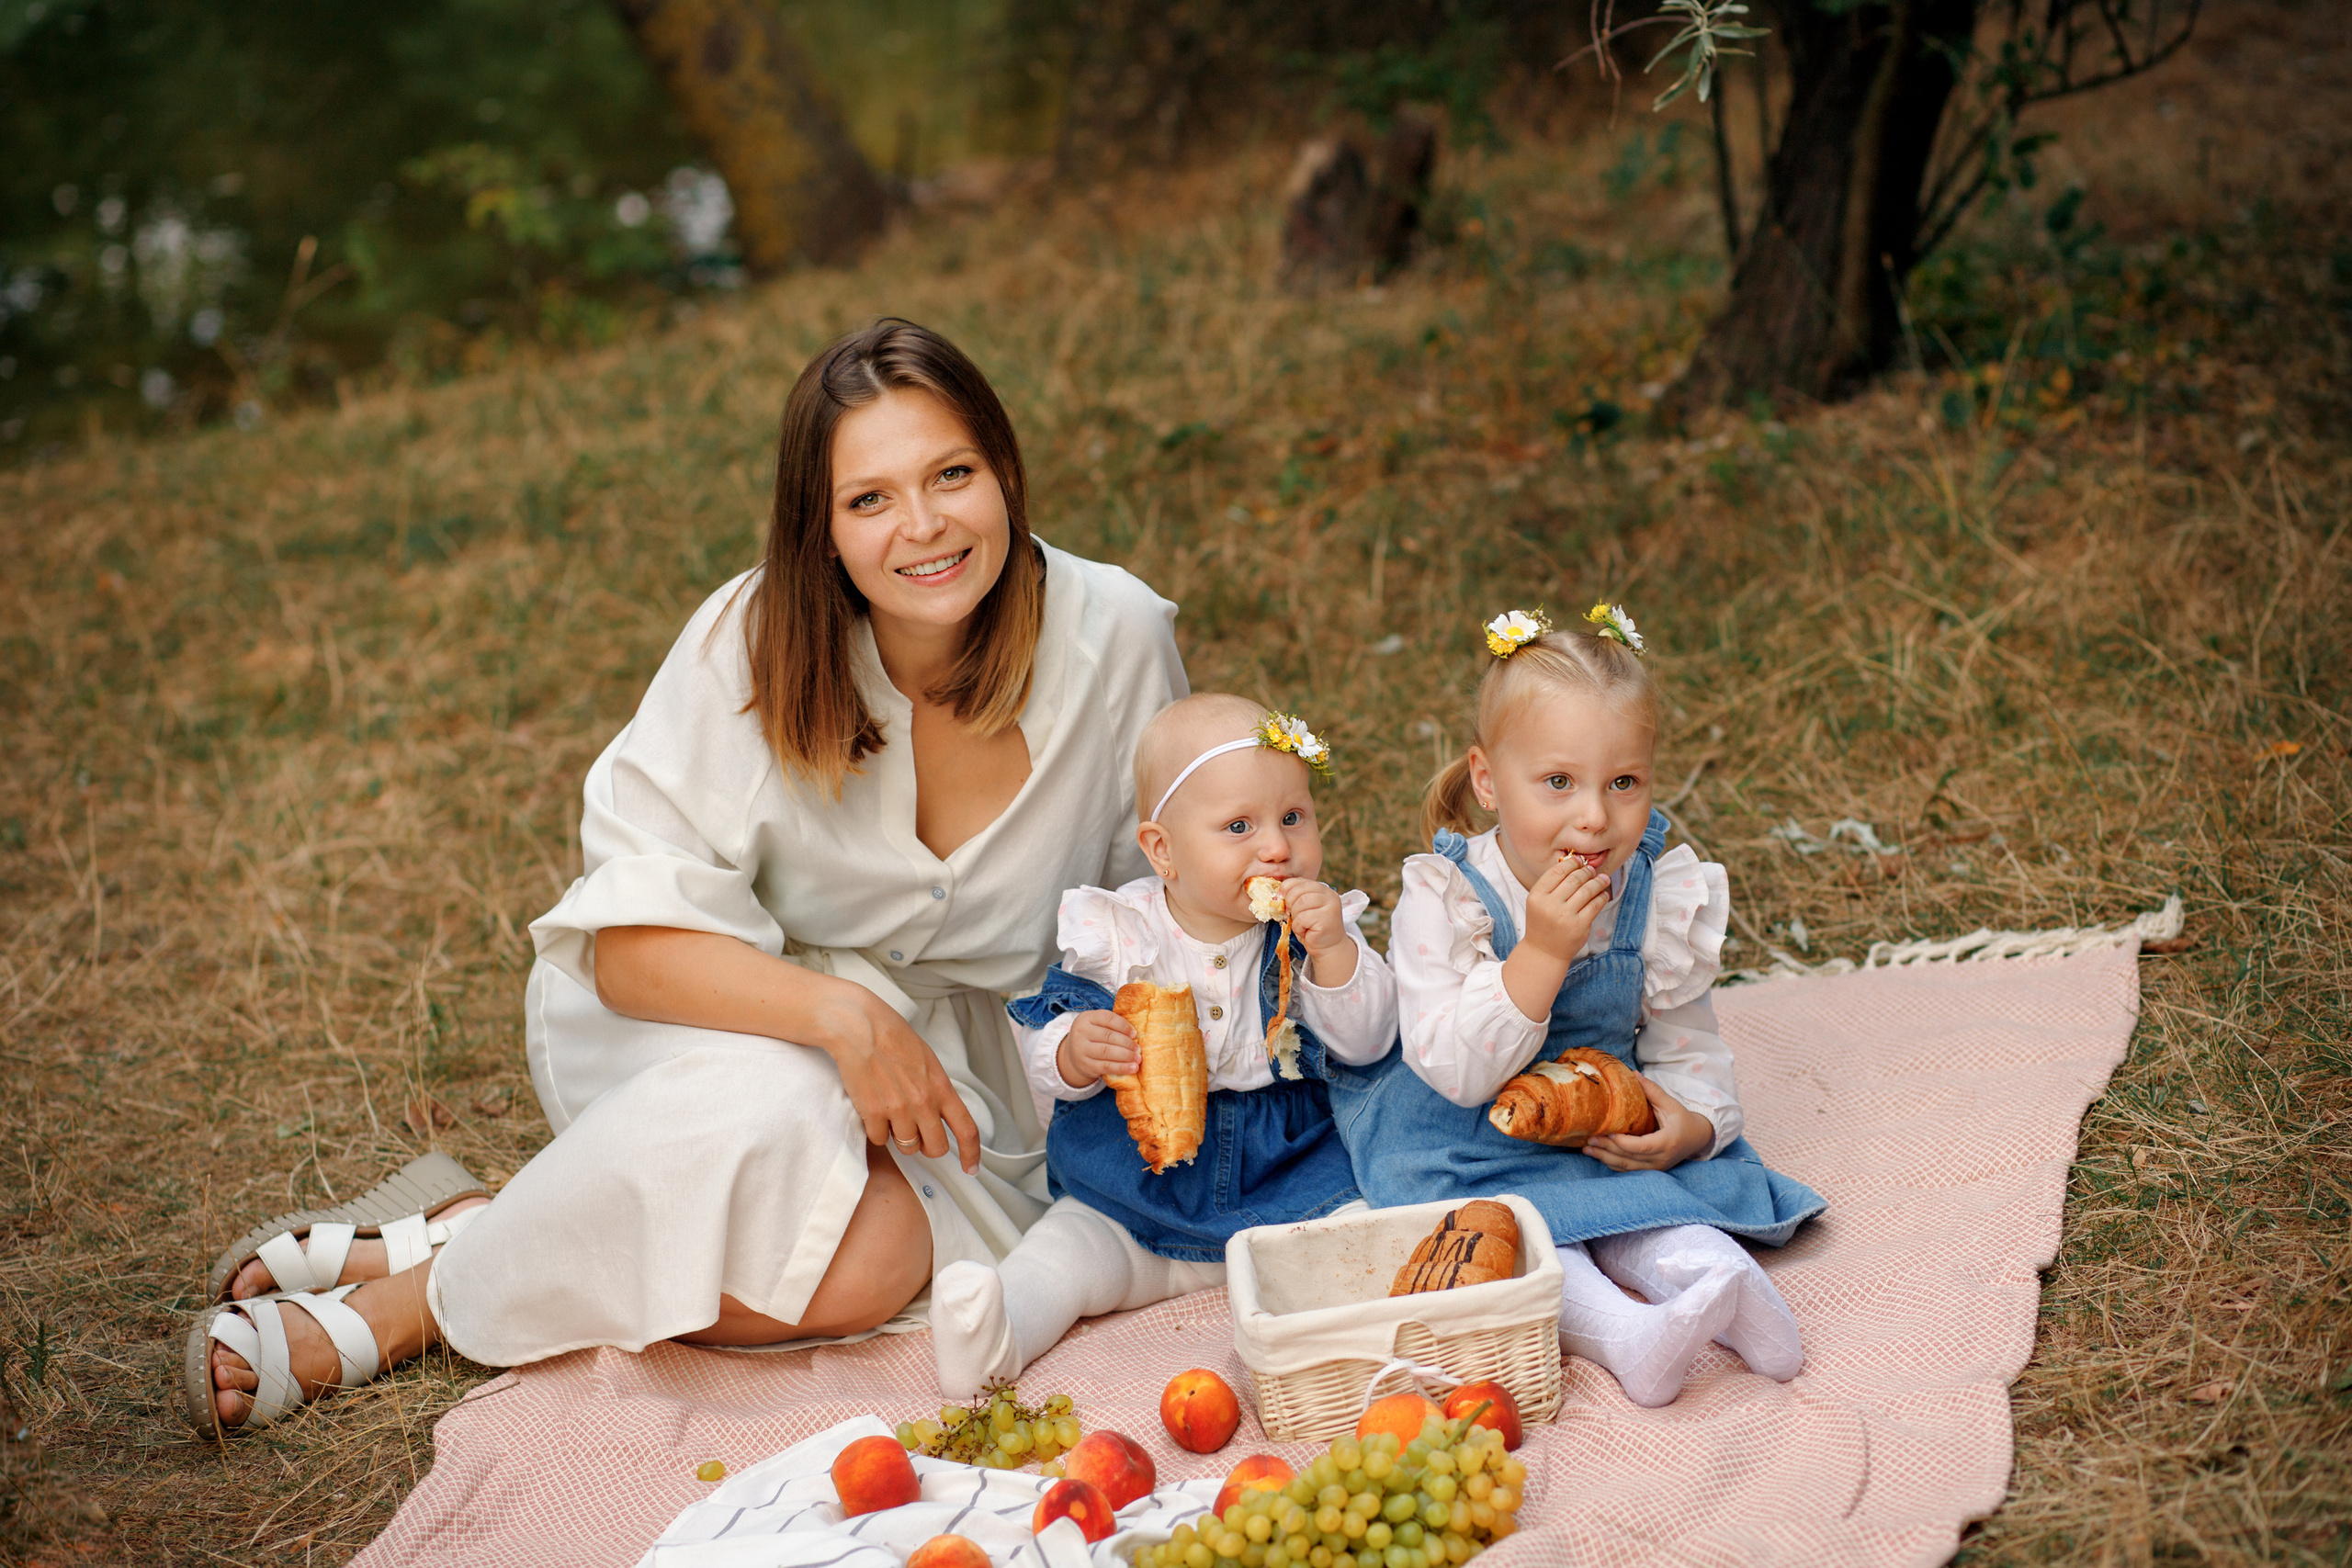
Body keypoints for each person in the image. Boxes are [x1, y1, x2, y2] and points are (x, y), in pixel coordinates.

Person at [184, 318, 1191, 1437]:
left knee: (871, 1265)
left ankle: (496, 1223)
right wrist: (847, 1022)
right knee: (781, 1109)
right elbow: (628, 948)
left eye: (951, 474)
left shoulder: (1122, 637)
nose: (923, 528)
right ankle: (418, 1306)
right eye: (869, 500)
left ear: (1004, 468)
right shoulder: (748, 644)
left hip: (977, 1081)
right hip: (719, 1023)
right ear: (820, 528)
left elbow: (1162, 899)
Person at [1332, 604, 1826, 1409]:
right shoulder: (1446, 895)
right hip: (1465, 1139)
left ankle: (1718, 1275)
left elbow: (1685, 1042)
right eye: (1558, 782)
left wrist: (1693, 1125)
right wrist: (1542, 953)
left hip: (1598, 1137)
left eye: (1623, 782)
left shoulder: (1655, 890)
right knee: (1528, 1244)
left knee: (1658, 1205)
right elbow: (1454, 1068)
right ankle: (1628, 1338)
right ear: (1487, 780)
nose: (1595, 815)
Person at [930, 694, 1396, 1397]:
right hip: (1133, 1194)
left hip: (1286, 1181)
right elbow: (1046, 1046)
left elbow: (1368, 1042)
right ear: (1163, 850)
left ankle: (1349, 1337)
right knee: (1067, 1251)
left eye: (1293, 818)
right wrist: (1075, 1051)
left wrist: (1331, 951)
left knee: (1360, 1234)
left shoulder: (1314, 929)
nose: (1276, 846)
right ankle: (997, 1331)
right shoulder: (1121, 935)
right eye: (1239, 825)